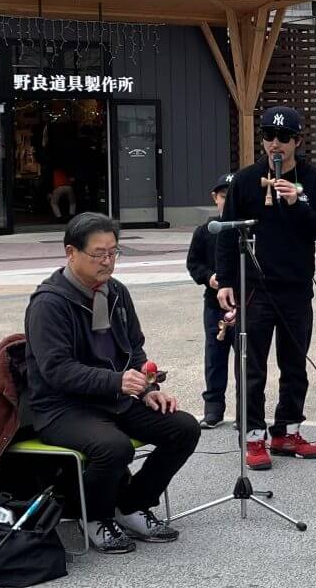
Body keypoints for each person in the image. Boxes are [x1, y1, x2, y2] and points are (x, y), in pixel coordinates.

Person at [23, 213, 199, 553]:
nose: (107, 261)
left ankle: (131, 505)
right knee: (114, 447)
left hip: (114, 398)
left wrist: (148, 389)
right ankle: (93, 517)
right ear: (71, 252)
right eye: (98, 254)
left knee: (183, 428)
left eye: (113, 252)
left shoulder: (116, 292)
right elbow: (57, 370)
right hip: (62, 408)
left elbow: (134, 349)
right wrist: (117, 381)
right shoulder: (49, 303)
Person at [217, 106, 316, 471]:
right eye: (268, 136)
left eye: (283, 137)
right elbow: (228, 232)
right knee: (252, 366)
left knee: (294, 364)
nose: (275, 144)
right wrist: (225, 281)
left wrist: (296, 203)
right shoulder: (246, 180)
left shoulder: (313, 180)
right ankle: (253, 436)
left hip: (296, 287)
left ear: (297, 141)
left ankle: (287, 431)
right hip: (256, 287)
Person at [186, 175, 232, 428]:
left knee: (248, 360)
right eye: (223, 196)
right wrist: (208, 277)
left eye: (232, 196)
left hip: (245, 303)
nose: (228, 201)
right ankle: (213, 409)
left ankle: (247, 409)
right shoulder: (205, 231)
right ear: (215, 198)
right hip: (214, 304)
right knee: (215, 357)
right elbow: (193, 263)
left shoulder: (249, 229)